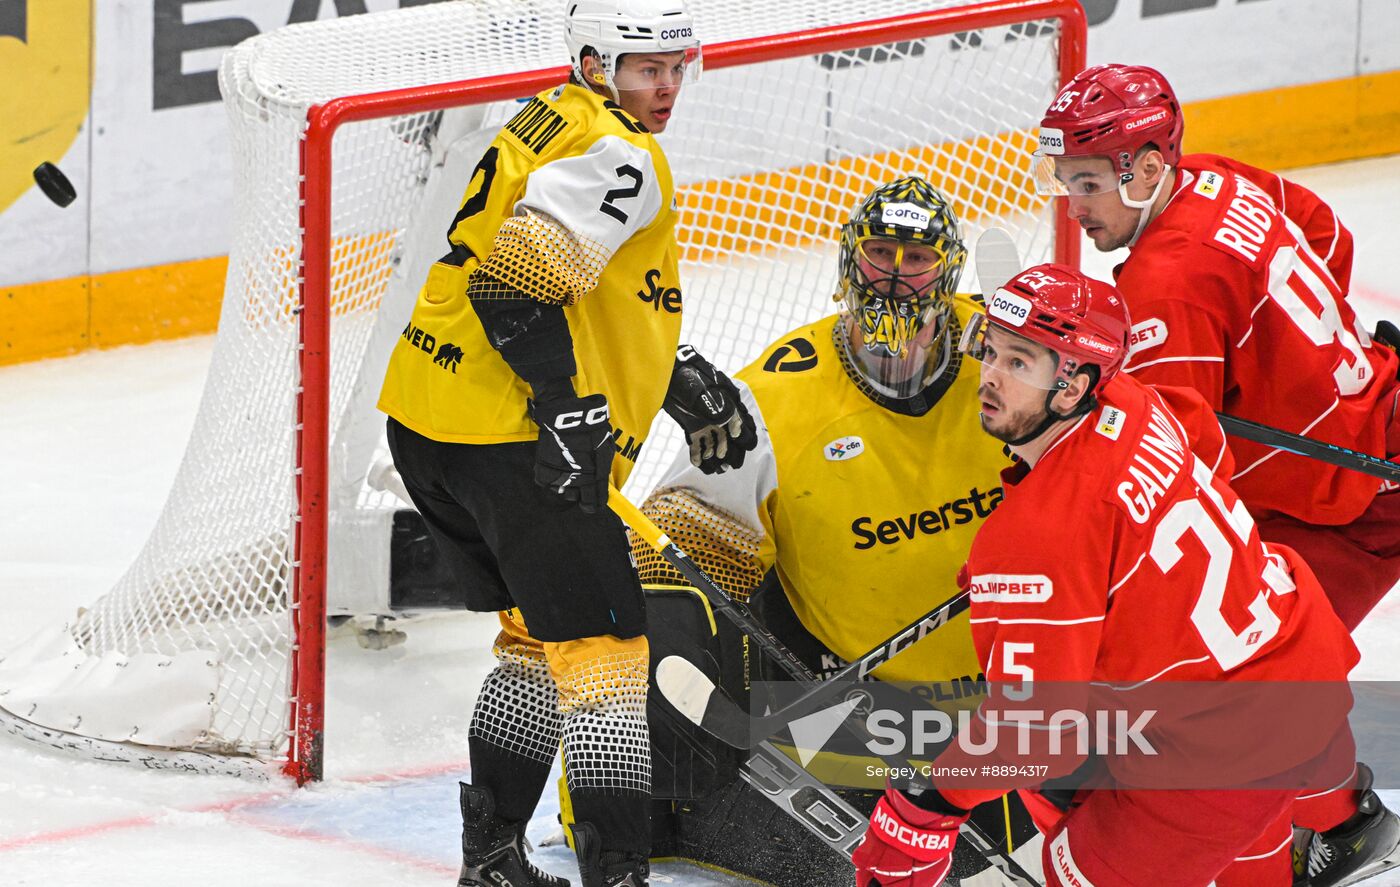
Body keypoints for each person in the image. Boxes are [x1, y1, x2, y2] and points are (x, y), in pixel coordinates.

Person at [377, 2, 756, 885]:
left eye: (677, 66)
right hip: (510, 437)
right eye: (646, 69)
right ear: (594, 63)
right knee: (607, 657)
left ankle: (492, 859)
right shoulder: (623, 152)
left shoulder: (550, 115)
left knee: (535, 640)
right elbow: (512, 288)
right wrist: (567, 408)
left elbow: (575, 283)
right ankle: (616, 874)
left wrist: (668, 369)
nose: (667, 86)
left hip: (429, 417)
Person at [851, 264, 1365, 887]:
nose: (989, 376)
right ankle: (1349, 821)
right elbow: (1207, 446)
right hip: (1300, 651)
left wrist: (928, 808)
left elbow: (1033, 733)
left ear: (1071, 389)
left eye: (1018, 363)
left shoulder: (1037, 537)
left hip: (1229, 747)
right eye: (991, 351)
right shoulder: (1134, 398)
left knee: (1071, 852)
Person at [1032, 63, 1400, 885]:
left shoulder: (1166, 285)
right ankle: (1346, 821)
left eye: (1087, 184)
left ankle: (1331, 832)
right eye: (1066, 181)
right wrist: (1301, 362)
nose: (1074, 206)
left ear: (1146, 169)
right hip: (1376, 420)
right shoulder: (1214, 178)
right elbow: (1327, 234)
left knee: (1240, 686)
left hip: (1353, 500)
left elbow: (1178, 468)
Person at [630, 177, 1036, 883]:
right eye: (880, 254)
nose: (895, 278)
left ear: (949, 270)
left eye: (918, 259)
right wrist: (667, 636)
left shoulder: (1007, 362)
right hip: (862, 707)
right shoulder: (776, 397)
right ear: (850, 260)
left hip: (1019, 698)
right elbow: (676, 540)